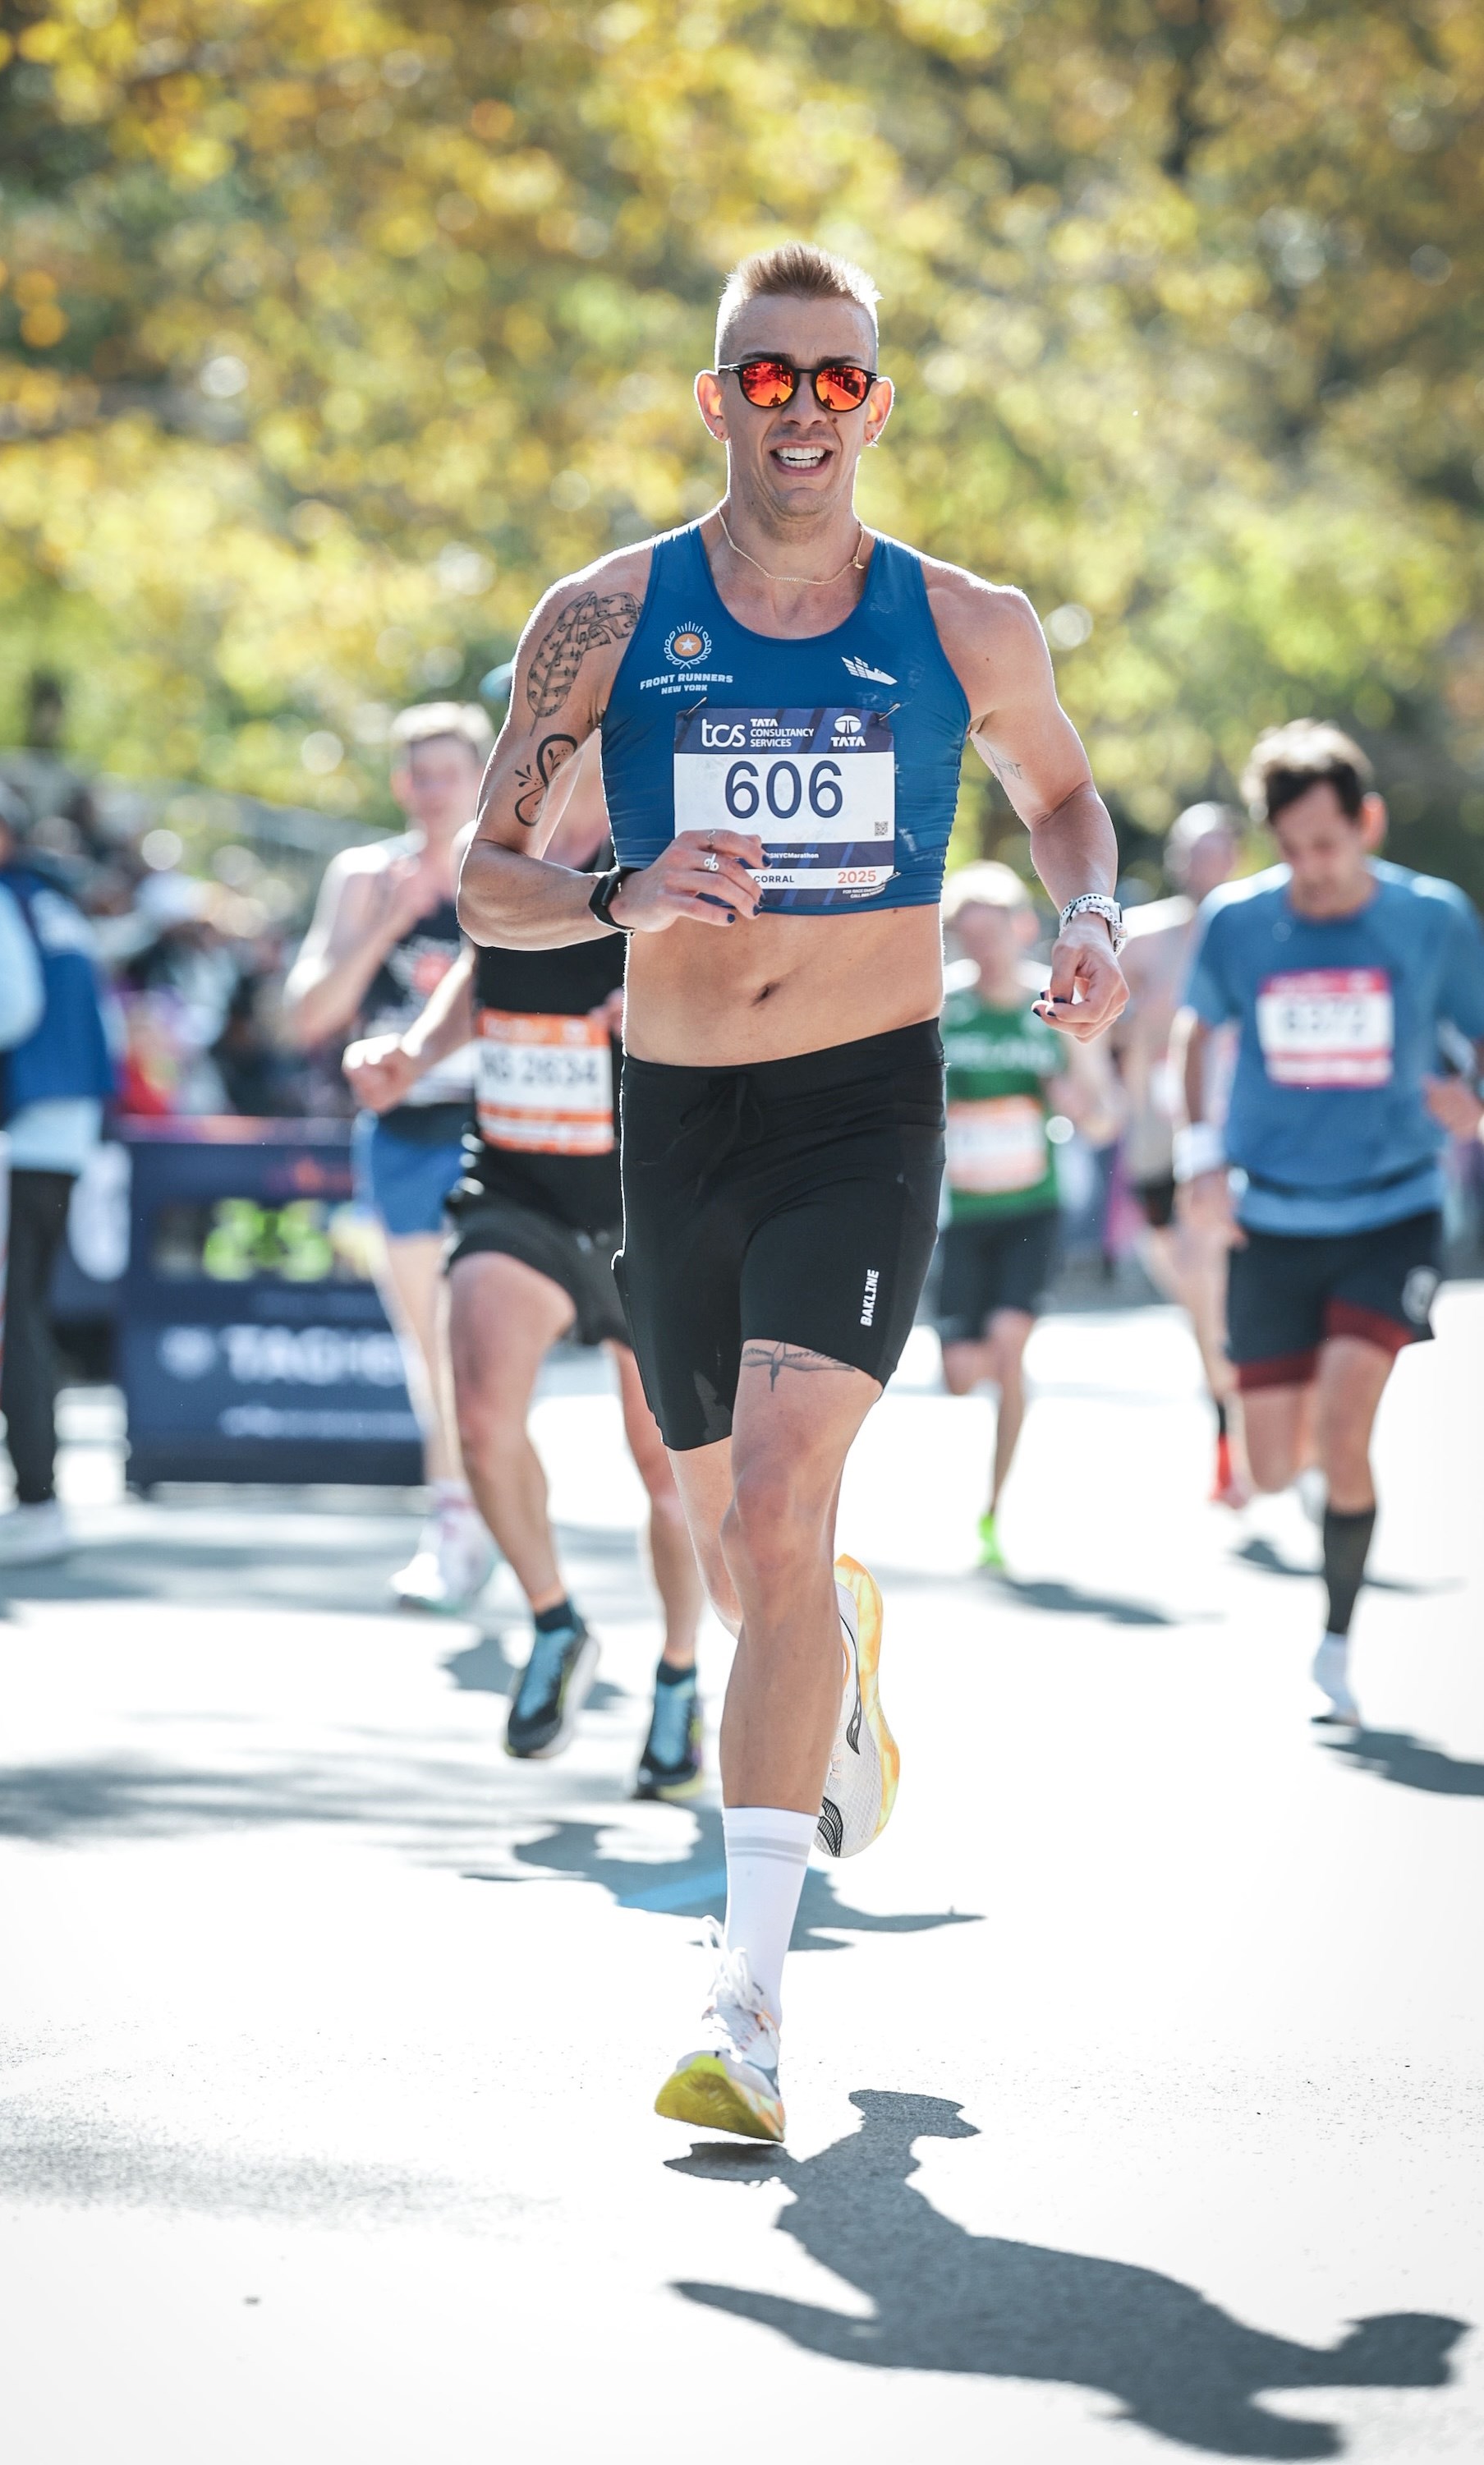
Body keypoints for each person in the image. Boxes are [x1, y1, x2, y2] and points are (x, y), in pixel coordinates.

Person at [457, 241, 1128, 2141]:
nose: (804, 411)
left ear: (876, 405)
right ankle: (821, 1634)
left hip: (861, 1110)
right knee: (732, 1538)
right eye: (768, 377)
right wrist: (619, 892)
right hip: (669, 1118)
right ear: (713, 398)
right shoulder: (602, 616)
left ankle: (744, 1997)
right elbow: (486, 874)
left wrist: (1081, 912)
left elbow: (1061, 796)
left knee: (766, 1494)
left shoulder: (962, 618)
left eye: (838, 380)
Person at [346, 742, 706, 1792]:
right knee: (483, 1420)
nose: (544, 736)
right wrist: (412, 1050)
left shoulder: (665, 840)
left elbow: (752, 980)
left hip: (650, 1204)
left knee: (668, 1476)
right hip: (517, 1190)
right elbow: (481, 958)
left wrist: (665, 1013)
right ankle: (554, 1619)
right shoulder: (490, 846)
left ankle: (678, 1678)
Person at [1175, 721, 1484, 1726]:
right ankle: (1314, 1482)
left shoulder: (1431, 919)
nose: (1310, 867)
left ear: (1367, 823)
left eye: (1327, 843)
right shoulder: (1237, 920)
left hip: (1390, 1206)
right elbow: (1196, 1032)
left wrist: (1467, 1096)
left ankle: (1336, 1638)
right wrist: (1200, 1158)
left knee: (1346, 1422)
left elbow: (1473, 1047)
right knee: (1273, 1467)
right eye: (1291, 846)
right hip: (1272, 1211)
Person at [285, 704, 494, 1612]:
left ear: (484, 774)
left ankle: (485, 1508)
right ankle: (458, 1516)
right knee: (430, 1338)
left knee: (485, 1333)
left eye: (450, 772)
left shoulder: (508, 866)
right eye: (418, 774)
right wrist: (388, 922)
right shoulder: (364, 873)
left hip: (497, 1123)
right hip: (401, 1128)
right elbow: (307, 1015)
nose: (433, 790)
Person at [0, 774, 116, 1566]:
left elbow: (9, 1007)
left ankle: (35, 1500)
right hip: (64, 1133)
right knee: (27, 1313)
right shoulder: (49, 897)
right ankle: (37, 1497)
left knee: (15, 1320)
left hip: (20, 1135)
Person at [934, 864, 1121, 1571]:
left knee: (1008, 1351)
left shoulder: (1057, 1004)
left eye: (995, 931)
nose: (983, 948)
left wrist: (1072, 1094)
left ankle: (992, 1508)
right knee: (961, 1372)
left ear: (1022, 929)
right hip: (966, 1212)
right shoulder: (944, 1007)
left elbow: (1103, 1118)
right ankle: (1004, 1379)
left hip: (1032, 1210)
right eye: (968, 934)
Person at [1112, 803, 1247, 1503]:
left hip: (1224, 1136)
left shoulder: (1256, 930)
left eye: (1219, 849)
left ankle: (1232, 1439)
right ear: (1176, 858)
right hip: (1151, 1142)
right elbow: (1100, 1025)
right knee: (1192, 1289)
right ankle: (1229, 1389)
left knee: (1209, 1279)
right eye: (1195, 851)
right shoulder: (1146, 938)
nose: (1206, 864)